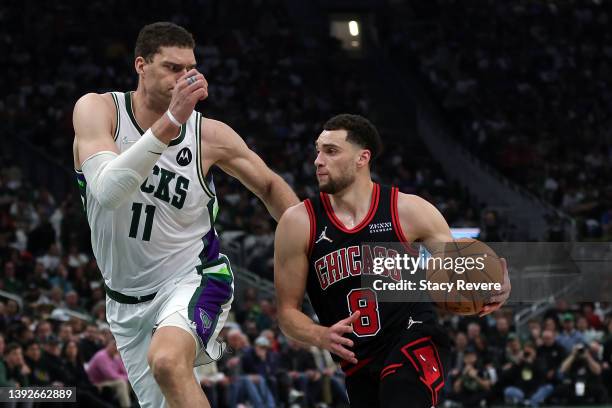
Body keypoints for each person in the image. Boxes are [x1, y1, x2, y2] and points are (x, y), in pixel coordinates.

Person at [72, 21, 298, 408]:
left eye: (189, 68)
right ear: (141, 65)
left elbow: (270, 185)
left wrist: (314, 244)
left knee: (167, 360)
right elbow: (108, 192)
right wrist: (171, 120)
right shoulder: (99, 109)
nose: (185, 77)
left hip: (193, 277)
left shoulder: (208, 135)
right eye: (172, 68)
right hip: (124, 302)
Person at [274, 114, 510, 407]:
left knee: (401, 393)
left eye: (331, 151)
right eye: (318, 150)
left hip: (415, 340)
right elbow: (287, 312)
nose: (318, 161)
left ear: (363, 158)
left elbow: (458, 268)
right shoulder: (298, 223)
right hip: (358, 362)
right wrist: (319, 335)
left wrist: (495, 285)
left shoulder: (410, 210)